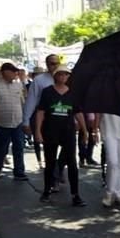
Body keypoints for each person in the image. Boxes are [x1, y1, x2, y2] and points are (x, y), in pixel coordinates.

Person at [34, 64, 87, 207]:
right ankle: (46, 190)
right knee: (50, 162)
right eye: (60, 74)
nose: (63, 77)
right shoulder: (47, 92)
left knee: (72, 164)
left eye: (66, 74)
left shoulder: (73, 93)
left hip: (68, 131)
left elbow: (78, 112)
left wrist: (85, 131)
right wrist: (38, 131)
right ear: (55, 76)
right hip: (50, 131)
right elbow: (41, 112)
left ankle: (75, 194)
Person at [0, 62, 28, 181]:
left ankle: (19, 171)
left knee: (19, 147)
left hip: (17, 122)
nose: (16, 73)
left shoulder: (18, 86)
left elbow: (22, 103)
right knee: (1, 148)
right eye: (13, 71)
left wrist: (25, 120)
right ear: (5, 72)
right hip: (2, 124)